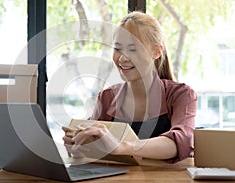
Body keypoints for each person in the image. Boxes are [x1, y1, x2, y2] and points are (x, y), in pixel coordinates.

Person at [62, 11, 197, 163]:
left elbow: (181, 141)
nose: (123, 58)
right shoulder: (107, 97)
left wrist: (123, 146)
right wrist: (78, 145)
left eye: (133, 49)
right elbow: (94, 146)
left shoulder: (181, 95)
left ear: (157, 51)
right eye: (117, 48)